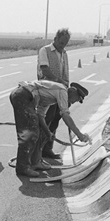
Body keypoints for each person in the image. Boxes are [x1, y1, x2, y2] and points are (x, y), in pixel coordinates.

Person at [9, 80, 91, 177]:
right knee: (30, 133)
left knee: (38, 131)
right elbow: (65, 115)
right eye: (77, 99)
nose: (73, 102)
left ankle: (35, 162)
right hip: (23, 95)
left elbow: (40, 115)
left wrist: (48, 132)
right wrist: (79, 135)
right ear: (72, 91)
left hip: (23, 96)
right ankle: (23, 168)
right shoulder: (62, 91)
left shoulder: (49, 96)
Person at [37, 28, 71, 159]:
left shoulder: (64, 53)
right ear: (56, 39)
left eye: (65, 44)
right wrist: (59, 81)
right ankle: (38, 150)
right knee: (46, 119)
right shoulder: (44, 51)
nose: (63, 46)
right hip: (47, 91)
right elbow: (45, 70)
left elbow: (65, 71)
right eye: (61, 43)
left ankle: (47, 149)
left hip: (60, 91)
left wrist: (66, 85)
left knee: (55, 120)